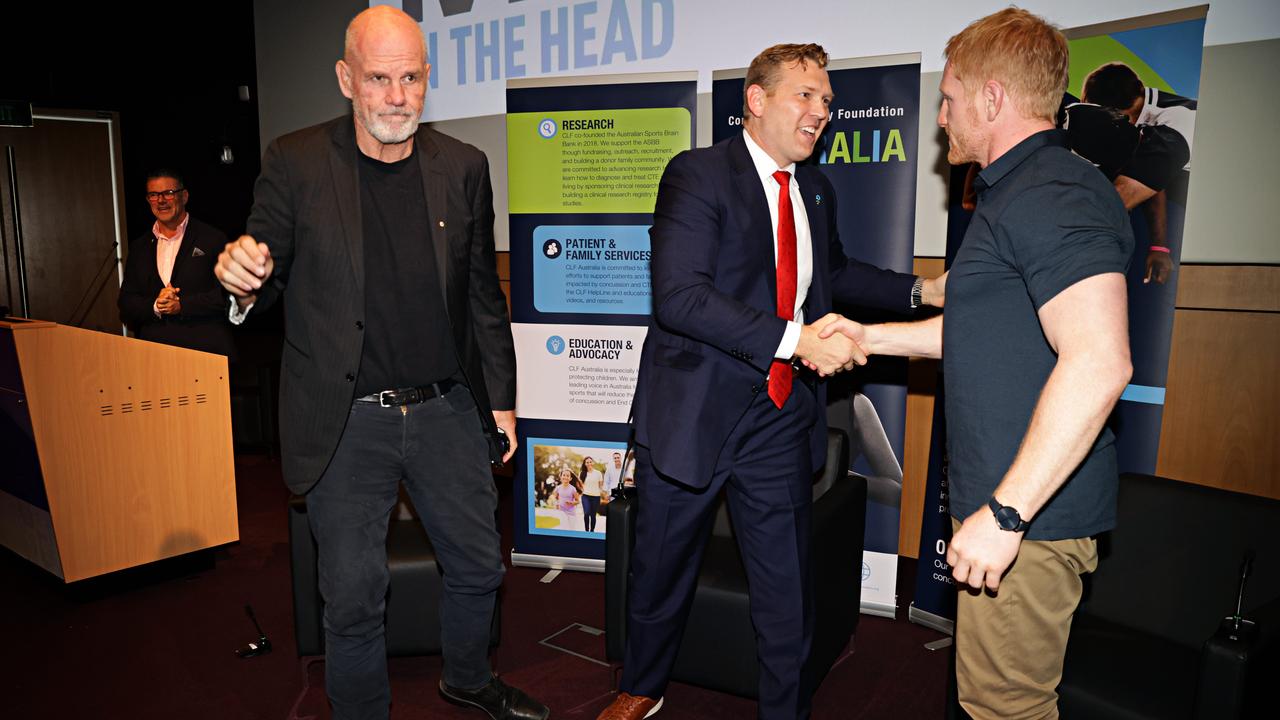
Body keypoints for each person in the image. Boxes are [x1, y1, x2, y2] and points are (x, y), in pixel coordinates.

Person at [213, 6, 546, 720]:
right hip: (346, 419)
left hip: (446, 408)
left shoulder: (463, 166)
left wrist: (503, 400)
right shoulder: (295, 162)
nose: (397, 97)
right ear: (345, 78)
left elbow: (483, 297)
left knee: (482, 566)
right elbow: (260, 262)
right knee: (356, 593)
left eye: (411, 78)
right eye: (378, 79)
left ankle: (467, 677)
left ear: (428, 78)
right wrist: (244, 275)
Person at [598, 43, 943, 720]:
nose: (820, 112)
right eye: (804, 96)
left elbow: (835, 272)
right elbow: (679, 297)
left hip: (779, 417)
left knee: (786, 588)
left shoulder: (813, 186)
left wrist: (920, 288)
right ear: (756, 100)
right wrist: (796, 339)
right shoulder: (697, 175)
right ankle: (640, 689)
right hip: (693, 413)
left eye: (827, 102)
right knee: (660, 572)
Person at [818, 9, 1133, 719]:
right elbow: (976, 329)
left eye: (950, 97)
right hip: (1016, 514)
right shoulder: (1016, 193)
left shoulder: (1051, 194)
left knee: (1006, 708)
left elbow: (1099, 361)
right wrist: (867, 336)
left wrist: (1005, 512)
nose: (940, 115)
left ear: (993, 99)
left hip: (1031, 520)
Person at [1078, 61, 1197, 284]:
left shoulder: (1179, 122)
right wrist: (1159, 245)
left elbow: (1120, 196)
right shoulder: (1143, 114)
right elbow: (1152, 177)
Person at [118, 170, 235, 358]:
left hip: (205, 354)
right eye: (154, 195)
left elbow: (230, 296)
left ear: (184, 196)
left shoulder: (213, 239)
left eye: (168, 193)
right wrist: (156, 305)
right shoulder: (139, 247)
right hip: (153, 357)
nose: (161, 200)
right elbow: (126, 302)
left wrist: (183, 305)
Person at [579, 456, 605, 532]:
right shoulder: (582, 473)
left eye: (590, 461)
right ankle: (587, 530)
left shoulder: (598, 473)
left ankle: (592, 531)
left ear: (592, 462)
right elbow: (580, 485)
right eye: (587, 462)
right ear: (585, 464)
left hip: (596, 497)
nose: (589, 463)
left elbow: (600, 486)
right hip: (585, 496)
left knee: (593, 515)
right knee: (586, 513)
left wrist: (603, 494)